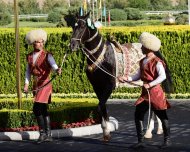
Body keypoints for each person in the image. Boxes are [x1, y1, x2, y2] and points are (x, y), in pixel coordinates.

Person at [118, 32, 172, 149]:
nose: (141, 48)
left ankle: (167, 141)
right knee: (138, 115)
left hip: (156, 93)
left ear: (148, 48)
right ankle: (141, 141)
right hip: (145, 94)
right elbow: (137, 75)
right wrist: (126, 78)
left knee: (163, 116)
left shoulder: (157, 62)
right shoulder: (143, 61)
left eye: (143, 46)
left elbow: (162, 76)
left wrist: (150, 84)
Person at [24, 29, 61, 143]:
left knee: (36, 109)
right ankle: (48, 134)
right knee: (43, 109)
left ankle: (42, 134)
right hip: (36, 84)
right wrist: (26, 85)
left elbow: (53, 64)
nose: (40, 44)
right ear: (33, 43)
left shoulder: (47, 55)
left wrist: (57, 70)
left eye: (42, 42)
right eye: (38, 42)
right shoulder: (29, 56)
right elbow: (28, 72)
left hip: (45, 83)